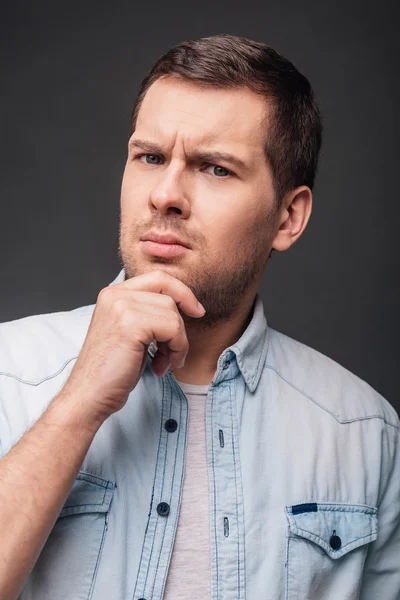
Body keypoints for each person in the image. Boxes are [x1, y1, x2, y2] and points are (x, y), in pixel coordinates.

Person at [0, 33, 398, 600]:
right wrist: (77, 403)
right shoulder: (8, 375)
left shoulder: (365, 434)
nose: (165, 194)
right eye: (151, 157)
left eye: (214, 168)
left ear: (288, 217)